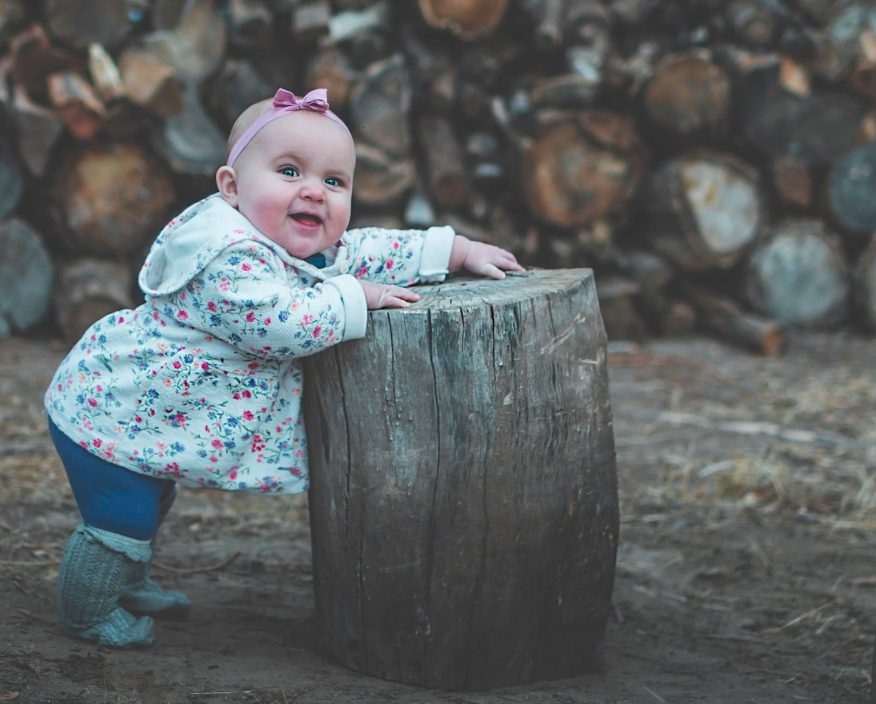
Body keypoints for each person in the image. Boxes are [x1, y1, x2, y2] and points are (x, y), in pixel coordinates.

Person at [43, 87, 524, 648]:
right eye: (290, 170)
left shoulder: (289, 244)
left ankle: (128, 582)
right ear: (232, 187)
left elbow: (363, 250)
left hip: (143, 417)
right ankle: (87, 611)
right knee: (119, 514)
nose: (313, 192)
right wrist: (353, 298)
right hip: (107, 410)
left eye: (334, 181)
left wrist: (454, 250)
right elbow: (279, 325)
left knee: (151, 497)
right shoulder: (226, 256)